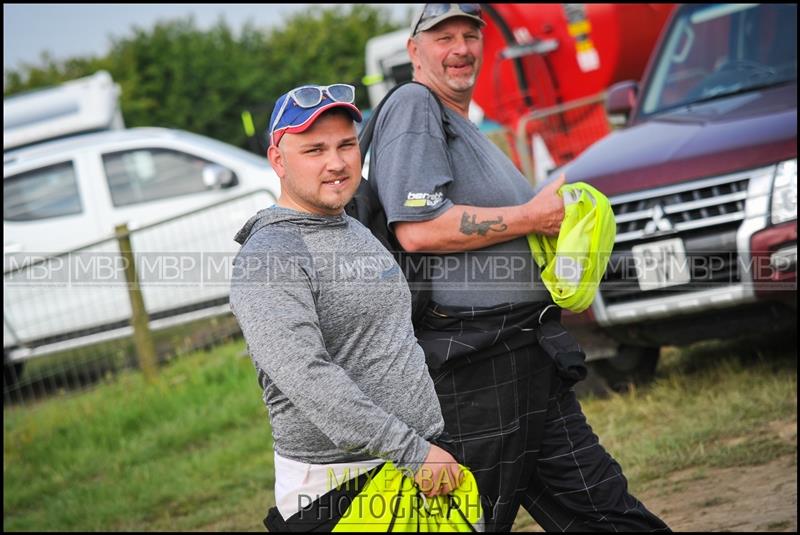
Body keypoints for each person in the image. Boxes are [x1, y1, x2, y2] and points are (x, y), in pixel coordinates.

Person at [366, 4, 671, 532]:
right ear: (414, 51)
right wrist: (531, 215)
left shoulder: (467, 125)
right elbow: (418, 227)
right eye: (444, 37)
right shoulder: (416, 105)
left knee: (606, 510)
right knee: (458, 523)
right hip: (474, 370)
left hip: (526, 354)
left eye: (470, 35)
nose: (461, 48)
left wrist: (552, 206)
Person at [229, 83, 478, 531]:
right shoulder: (272, 254)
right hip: (337, 488)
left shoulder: (348, 227)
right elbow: (308, 377)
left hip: (405, 466)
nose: (337, 162)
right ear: (278, 161)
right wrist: (412, 451)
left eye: (347, 144)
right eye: (314, 149)